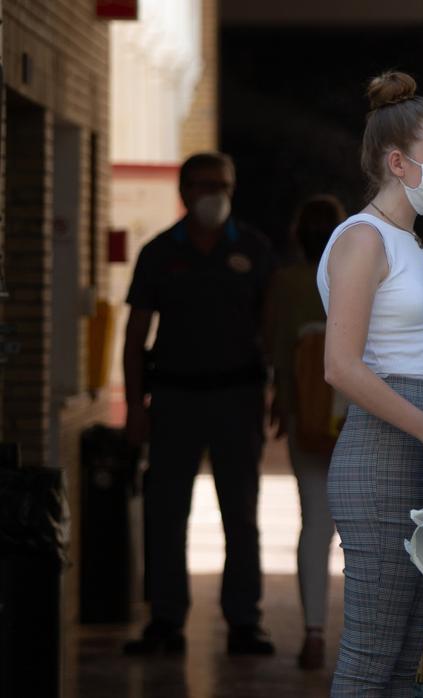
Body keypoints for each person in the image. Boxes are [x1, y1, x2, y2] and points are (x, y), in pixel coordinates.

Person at [318, 71, 423, 695]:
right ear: (397, 162)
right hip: (385, 455)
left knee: (415, 657)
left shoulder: (406, 239)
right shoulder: (362, 239)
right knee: (371, 656)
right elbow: (342, 365)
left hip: (419, 446)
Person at [122, 152, 276, 656]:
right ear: (184, 192)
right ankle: (165, 620)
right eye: (205, 184)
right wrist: (135, 407)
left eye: (224, 184)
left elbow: (271, 330)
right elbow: (136, 334)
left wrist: (276, 396)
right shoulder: (159, 253)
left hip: (237, 398)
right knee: (166, 514)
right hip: (174, 400)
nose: (216, 193)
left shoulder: (254, 249)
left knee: (241, 513)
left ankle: (243, 621)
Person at [263, 194, 346, 670]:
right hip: (354, 418)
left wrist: (284, 405)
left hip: (306, 420)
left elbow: (275, 349)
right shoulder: (352, 278)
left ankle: (313, 631)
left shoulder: (284, 282)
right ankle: (362, 634)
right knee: (359, 531)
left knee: (314, 522)